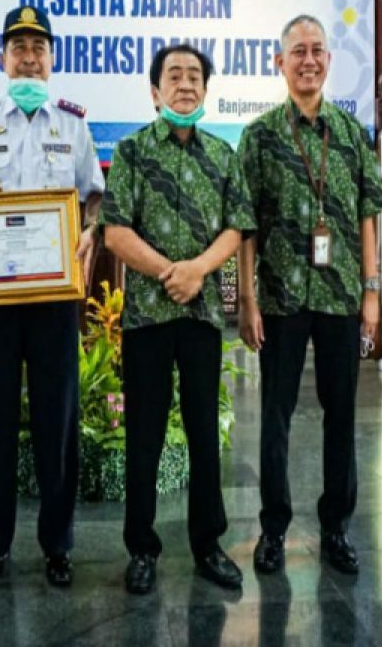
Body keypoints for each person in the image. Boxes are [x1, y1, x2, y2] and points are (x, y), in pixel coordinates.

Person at [0, 5, 104, 590]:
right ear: (2, 59)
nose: (29, 56)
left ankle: (57, 545)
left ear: (52, 58)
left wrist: (90, 229)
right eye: (18, 48)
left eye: (38, 47)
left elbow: (95, 199)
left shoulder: (75, 126)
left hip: (56, 300)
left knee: (58, 423)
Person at [236, 14, 382, 576]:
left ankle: (336, 527)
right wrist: (247, 301)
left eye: (317, 50)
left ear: (329, 61)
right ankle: (273, 529)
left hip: (341, 297)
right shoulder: (259, 137)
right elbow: (244, 224)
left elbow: (370, 215)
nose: (308, 59)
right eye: (297, 50)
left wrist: (371, 295)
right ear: (279, 63)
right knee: (275, 415)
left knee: (341, 414)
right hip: (278, 298)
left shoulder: (351, 136)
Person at [101, 44, 257, 594]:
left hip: (202, 316)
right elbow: (115, 231)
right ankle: (141, 548)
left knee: (202, 432)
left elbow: (237, 228)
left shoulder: (223, 155)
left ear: (206, 90)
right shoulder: (132, 152)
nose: (185, 85)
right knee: (143, 434)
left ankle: (207, 543)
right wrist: (172, 271)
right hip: (146, 317)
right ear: (155, 90)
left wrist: (198, 271)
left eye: (195, 76)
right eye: (174, 76)